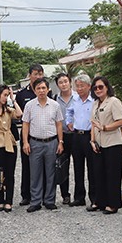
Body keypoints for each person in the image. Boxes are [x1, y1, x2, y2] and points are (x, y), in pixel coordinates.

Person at [22, 77, 64, 212]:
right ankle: (35, 201)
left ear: (48, 89)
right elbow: (25, 124)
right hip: (35, 143)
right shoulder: (29, 106)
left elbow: (59, 124)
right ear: (34, 90)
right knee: (35, 173)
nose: (41, 91)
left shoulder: (55, 105)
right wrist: (25, 142)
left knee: (51, 173)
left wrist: (60, 142)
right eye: (38, 88)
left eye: (43, 88)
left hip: (52, 142)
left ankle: (49, 200)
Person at [88, 75, 122, 214]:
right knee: (99, 173)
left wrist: (105, 127)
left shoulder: (113, 102)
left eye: (101, 87)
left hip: (112, 143)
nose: (98, 90)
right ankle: (100, 201)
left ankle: (113, 204)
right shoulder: (95, 103)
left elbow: (120, 122)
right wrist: (92, 140)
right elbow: (93, 123)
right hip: (98, 143)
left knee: (112, 174)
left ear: (107, 87)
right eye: (95, 87)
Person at [15, 64, 49, 205]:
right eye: (36, 74)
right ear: (29, 75)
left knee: (45, 166)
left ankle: (44, 195)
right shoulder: (22, 94)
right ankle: (26, 195)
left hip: (44, 135)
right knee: (27, 166)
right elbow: (17, 115)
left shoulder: (47, 91)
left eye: (41, 74)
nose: (38, 76)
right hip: (27, 135)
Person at [0, 84, 22, 212]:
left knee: (10, 173)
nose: (6, 98)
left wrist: (13, 99)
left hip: (10, 143)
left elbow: (20, 114)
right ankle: (0, 200)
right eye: (4, 95)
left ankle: (9, 201)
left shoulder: (8, 110)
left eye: (7, 95)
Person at [65, 73, 95, 207]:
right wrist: (69, 122)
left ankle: (94, 197)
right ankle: (79, 197)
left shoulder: (94, 100)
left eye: (82, 86)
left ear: (89, 86)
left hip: (90, 135)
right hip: (76, 135)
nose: (79, 89)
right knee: (78, 167)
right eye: (77, 86)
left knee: (92, 168)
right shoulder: (75, 99)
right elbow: (69, 111)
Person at [54, 73, 74, 205]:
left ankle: (80, 194)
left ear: (70, 82)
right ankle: (65, 194)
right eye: (60, 82)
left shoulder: (78, 98)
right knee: (62, 165)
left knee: (79, 165)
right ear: (57, 85)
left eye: (66, 81)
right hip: (62, 136)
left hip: (77, 135)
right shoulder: (55, 99)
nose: (64, 84)